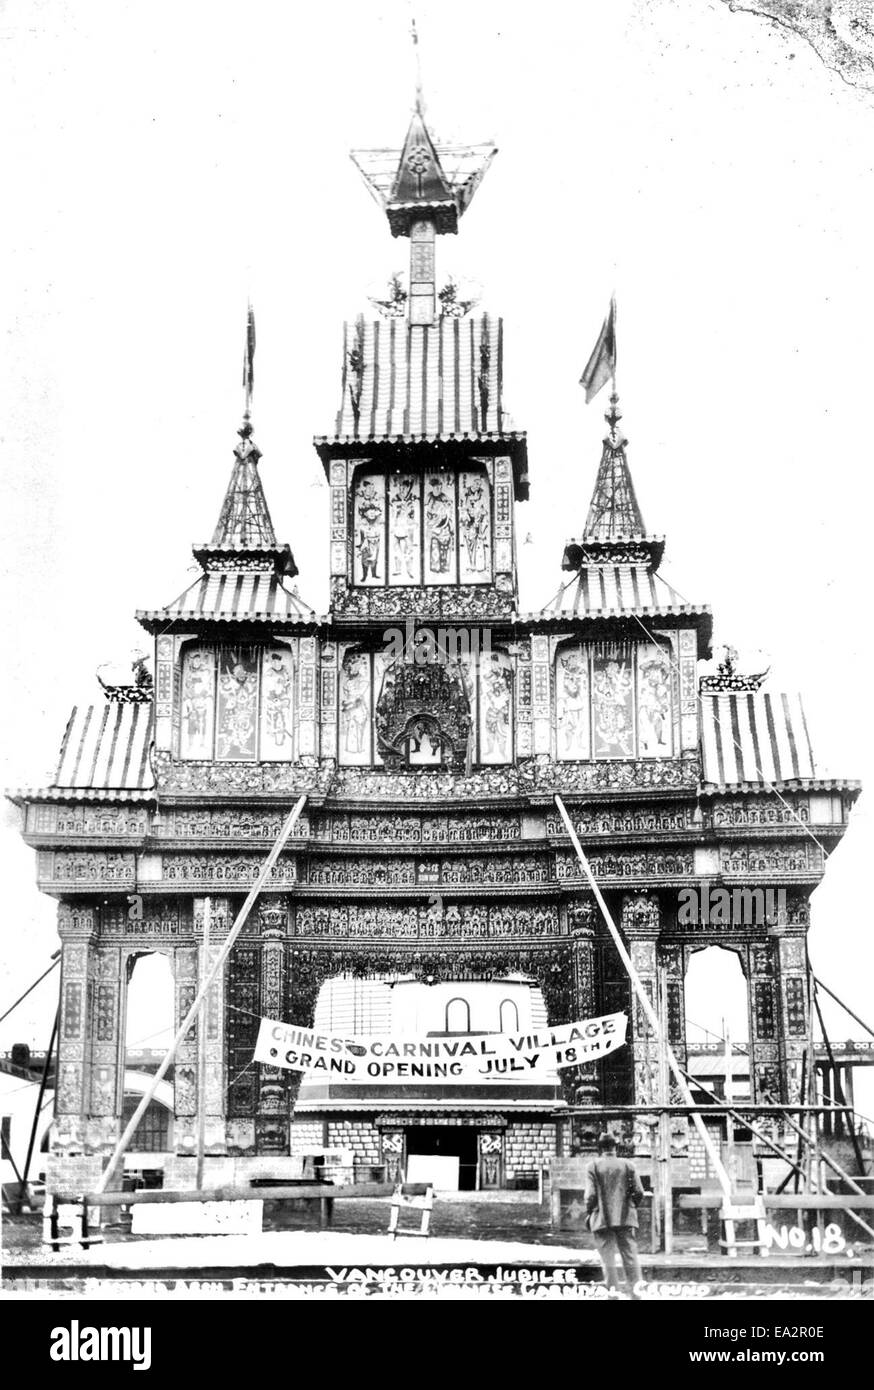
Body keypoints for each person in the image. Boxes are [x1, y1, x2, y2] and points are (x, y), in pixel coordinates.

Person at [585, 1132, 645, 1298]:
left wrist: (590, 1212)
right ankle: (636, 1294)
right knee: (630, 1256)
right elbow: (639, 1192)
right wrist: (631, 1206)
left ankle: (613, 1295)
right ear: (615, 1147)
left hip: (602, 1218)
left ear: (600, 1149)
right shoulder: (628, 1165)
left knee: (608, 1259)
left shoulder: (593, 1166)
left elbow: (590, 1196)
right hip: (626, 1218)